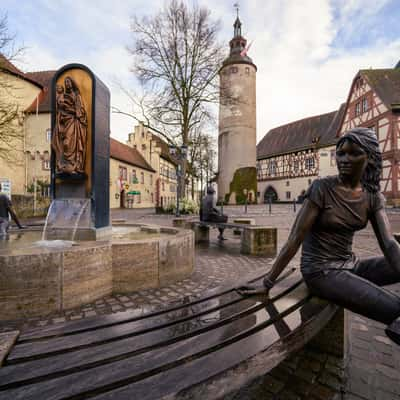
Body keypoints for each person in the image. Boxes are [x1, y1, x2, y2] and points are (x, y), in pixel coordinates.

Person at [238, 128, 400, 345]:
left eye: (353, 153)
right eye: (340, 153)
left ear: (369, 158)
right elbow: (295, 238)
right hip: (321, 272)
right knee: (395, 309)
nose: (344, 159)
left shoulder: (372, 196)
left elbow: (389, 245)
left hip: (350, 265)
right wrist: (267, 283)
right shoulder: (322, 188)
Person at [52, 76, 87, 175]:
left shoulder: (77, 96)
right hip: (65, 120)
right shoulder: (63, 95)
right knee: (64, 143)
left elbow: (80, 112)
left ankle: (74, 164)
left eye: (68, 82)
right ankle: (64, 164)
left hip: (73, 122)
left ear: (72, 83)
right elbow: (59, 108)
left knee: (70, 143)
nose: (67, 83)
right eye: (65, 82)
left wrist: (70, 109)